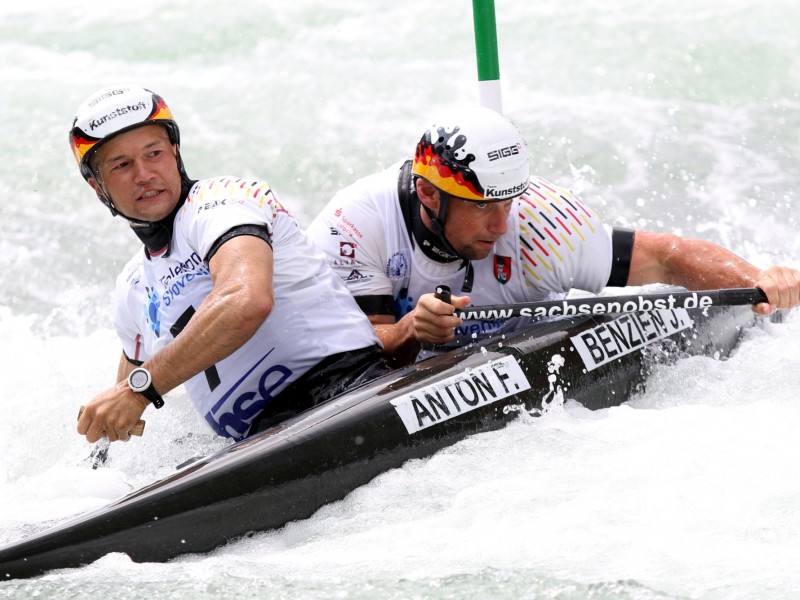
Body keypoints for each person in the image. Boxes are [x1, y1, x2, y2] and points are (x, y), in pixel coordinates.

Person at [306, 105, 800, 366]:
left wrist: (761, 280)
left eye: (507, 203)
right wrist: (413, 331)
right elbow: (351, 358)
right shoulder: (355, 225)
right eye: (482, 209)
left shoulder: (542, 223)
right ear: (429, 196)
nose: (501, 226)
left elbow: (667, 258)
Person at [72, 85, 389, 444]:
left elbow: (246, 300)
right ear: (97, 186)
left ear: (175, 153)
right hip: (258, 440)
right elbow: (120, 415)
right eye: (122, 165)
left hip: (345, 390)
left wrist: (138, 390)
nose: (144, 173)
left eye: (154, 153)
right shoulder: (132, 287)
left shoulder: (221, 202)